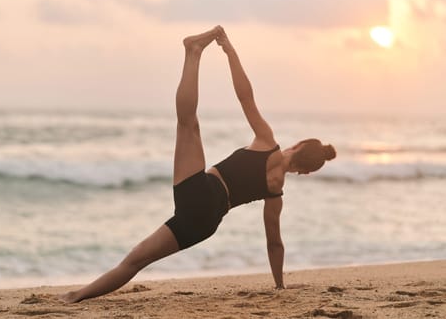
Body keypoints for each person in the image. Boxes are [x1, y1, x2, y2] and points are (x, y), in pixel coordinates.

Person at [59, 26, 336, 303]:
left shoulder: (267, 141)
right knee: (136, 261)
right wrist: (279, 286)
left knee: (188, 124)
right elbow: (274, 243)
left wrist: (230, 52)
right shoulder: (276, 192)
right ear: (304, 171)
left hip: (202, 191)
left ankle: (193, 53)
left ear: (298, 144)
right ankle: (76, 296)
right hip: (207, 222)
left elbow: (245, 96)